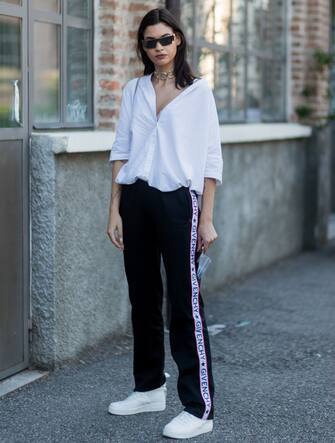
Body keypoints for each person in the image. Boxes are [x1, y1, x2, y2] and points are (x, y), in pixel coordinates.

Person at [106, 7, 223, 440]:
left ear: (179, 40)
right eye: (150, 42)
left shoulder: (198, 92)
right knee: (143, 298)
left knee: (184, 304)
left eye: (165, 40)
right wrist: (113, 208)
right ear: (143, 47)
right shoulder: (135, 90)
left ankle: (199, 407)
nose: (158, 48)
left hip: (180, 202)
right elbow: (121, 147)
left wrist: (206, 218)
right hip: (136, 199)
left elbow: (211, 158)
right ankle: (149, 387)